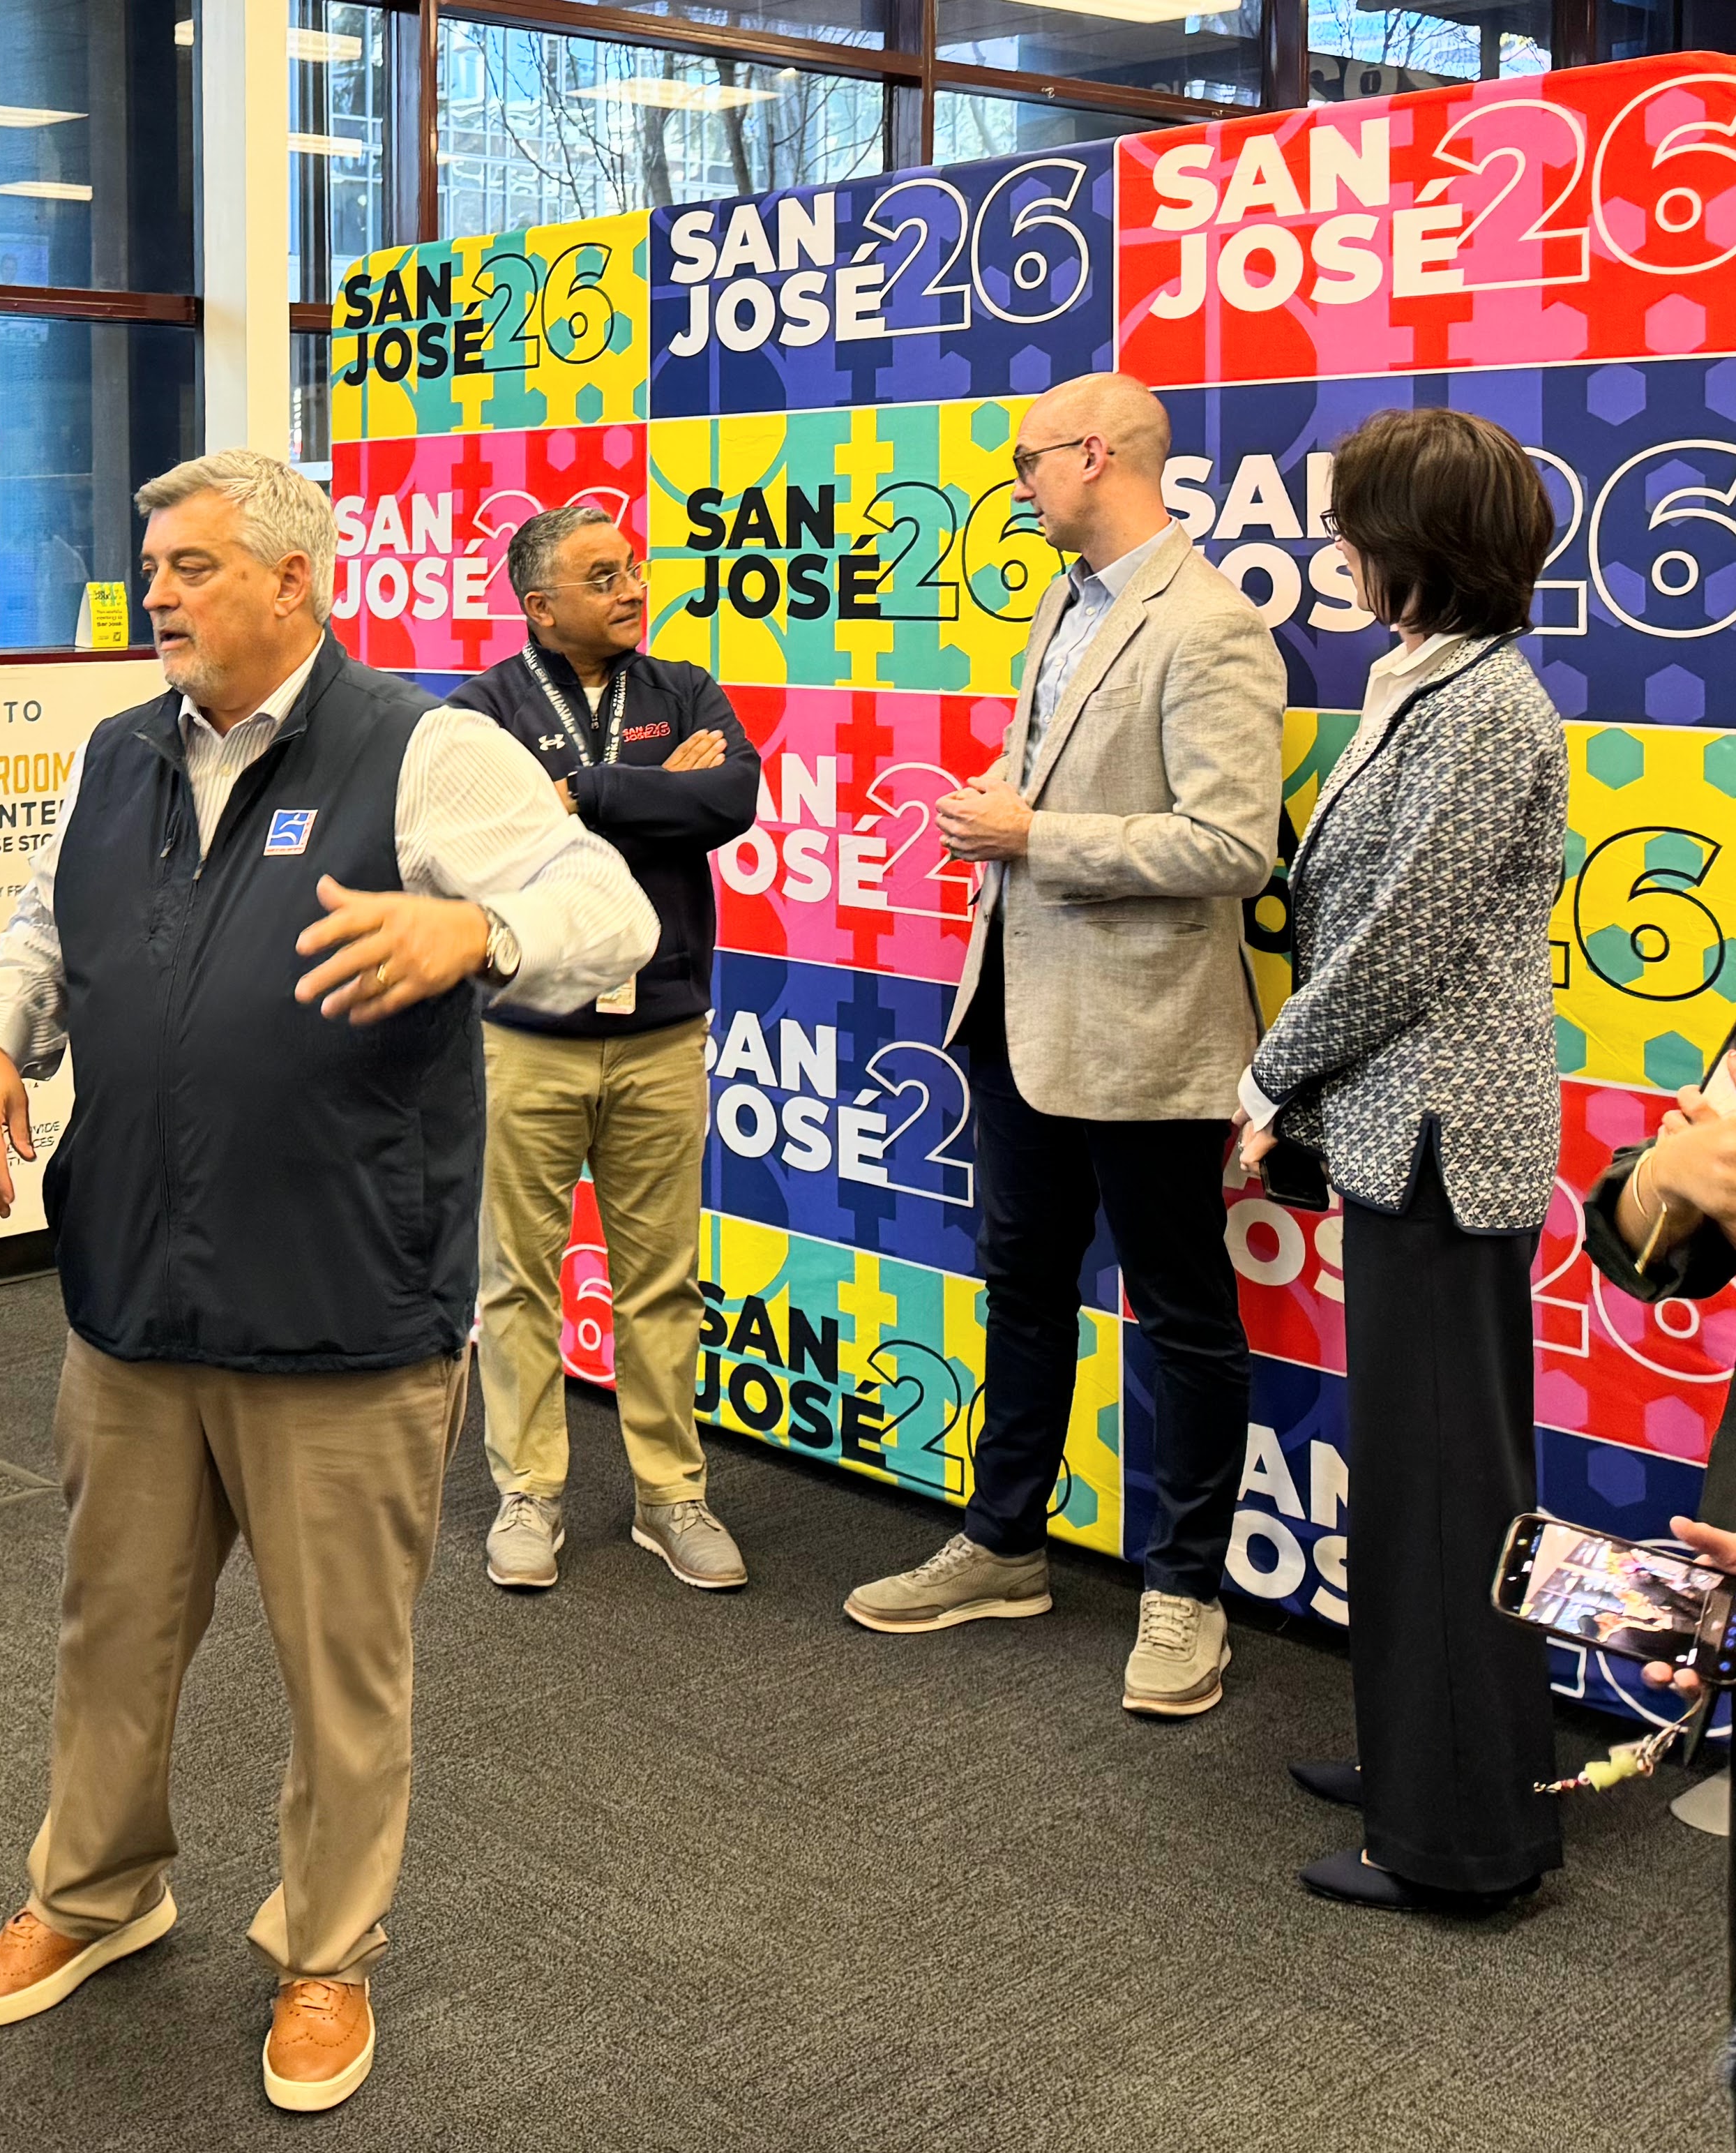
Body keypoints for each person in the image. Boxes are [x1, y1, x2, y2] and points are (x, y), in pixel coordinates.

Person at [0, 450, 656, 2113]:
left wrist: (474, 939)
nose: (161, 594)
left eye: (192, 566)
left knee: (344, 1665)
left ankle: (326, 1953)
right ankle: (96, 1896)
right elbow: (44, 933)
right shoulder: (117, 756)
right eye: (153, 564)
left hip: (343, 1309)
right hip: (133, 1298)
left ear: (294, 584)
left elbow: (603, 908)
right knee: (111, 1627)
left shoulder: (427, 750)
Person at [842, 372, 1281, 1719]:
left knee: (1184, 1313)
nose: (1018, 484)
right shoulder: (1067, 603)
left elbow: (1230, 846)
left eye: (1029, 461)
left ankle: (1187, 1591)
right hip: (1023, 1015)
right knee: (1022, 1282)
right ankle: (1004, 1543)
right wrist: (1016, 813)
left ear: (1098, 453)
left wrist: (1038, 837)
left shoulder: (1211, 626)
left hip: (1148, 1031)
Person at [1236, 405, 1569, 1912]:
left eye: (1355, 522)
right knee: (1421, 1477)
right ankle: (1422, 1756)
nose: (1337, 547)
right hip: (1400, 1132)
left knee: (1451, 1486)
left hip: (1445, 1138)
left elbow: (1401, 944)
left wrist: (1267, 1069)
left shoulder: (1488, 706)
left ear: (1410, 546)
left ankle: (1464, 1841)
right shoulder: (1422, 680)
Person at [446, 501, 760, 1594]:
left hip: (663, 1029)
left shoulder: (681, 687)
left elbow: (733, 797)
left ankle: (673, 1494)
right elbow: (487, 845)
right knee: (519, 1277)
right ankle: (527, 1490)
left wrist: (588, 792)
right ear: (541, 605)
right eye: (603, 574)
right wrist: (659, 787)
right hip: (528, 1034)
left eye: (632, 567)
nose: (634, 586)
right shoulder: (482, 710)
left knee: (660, 1279)